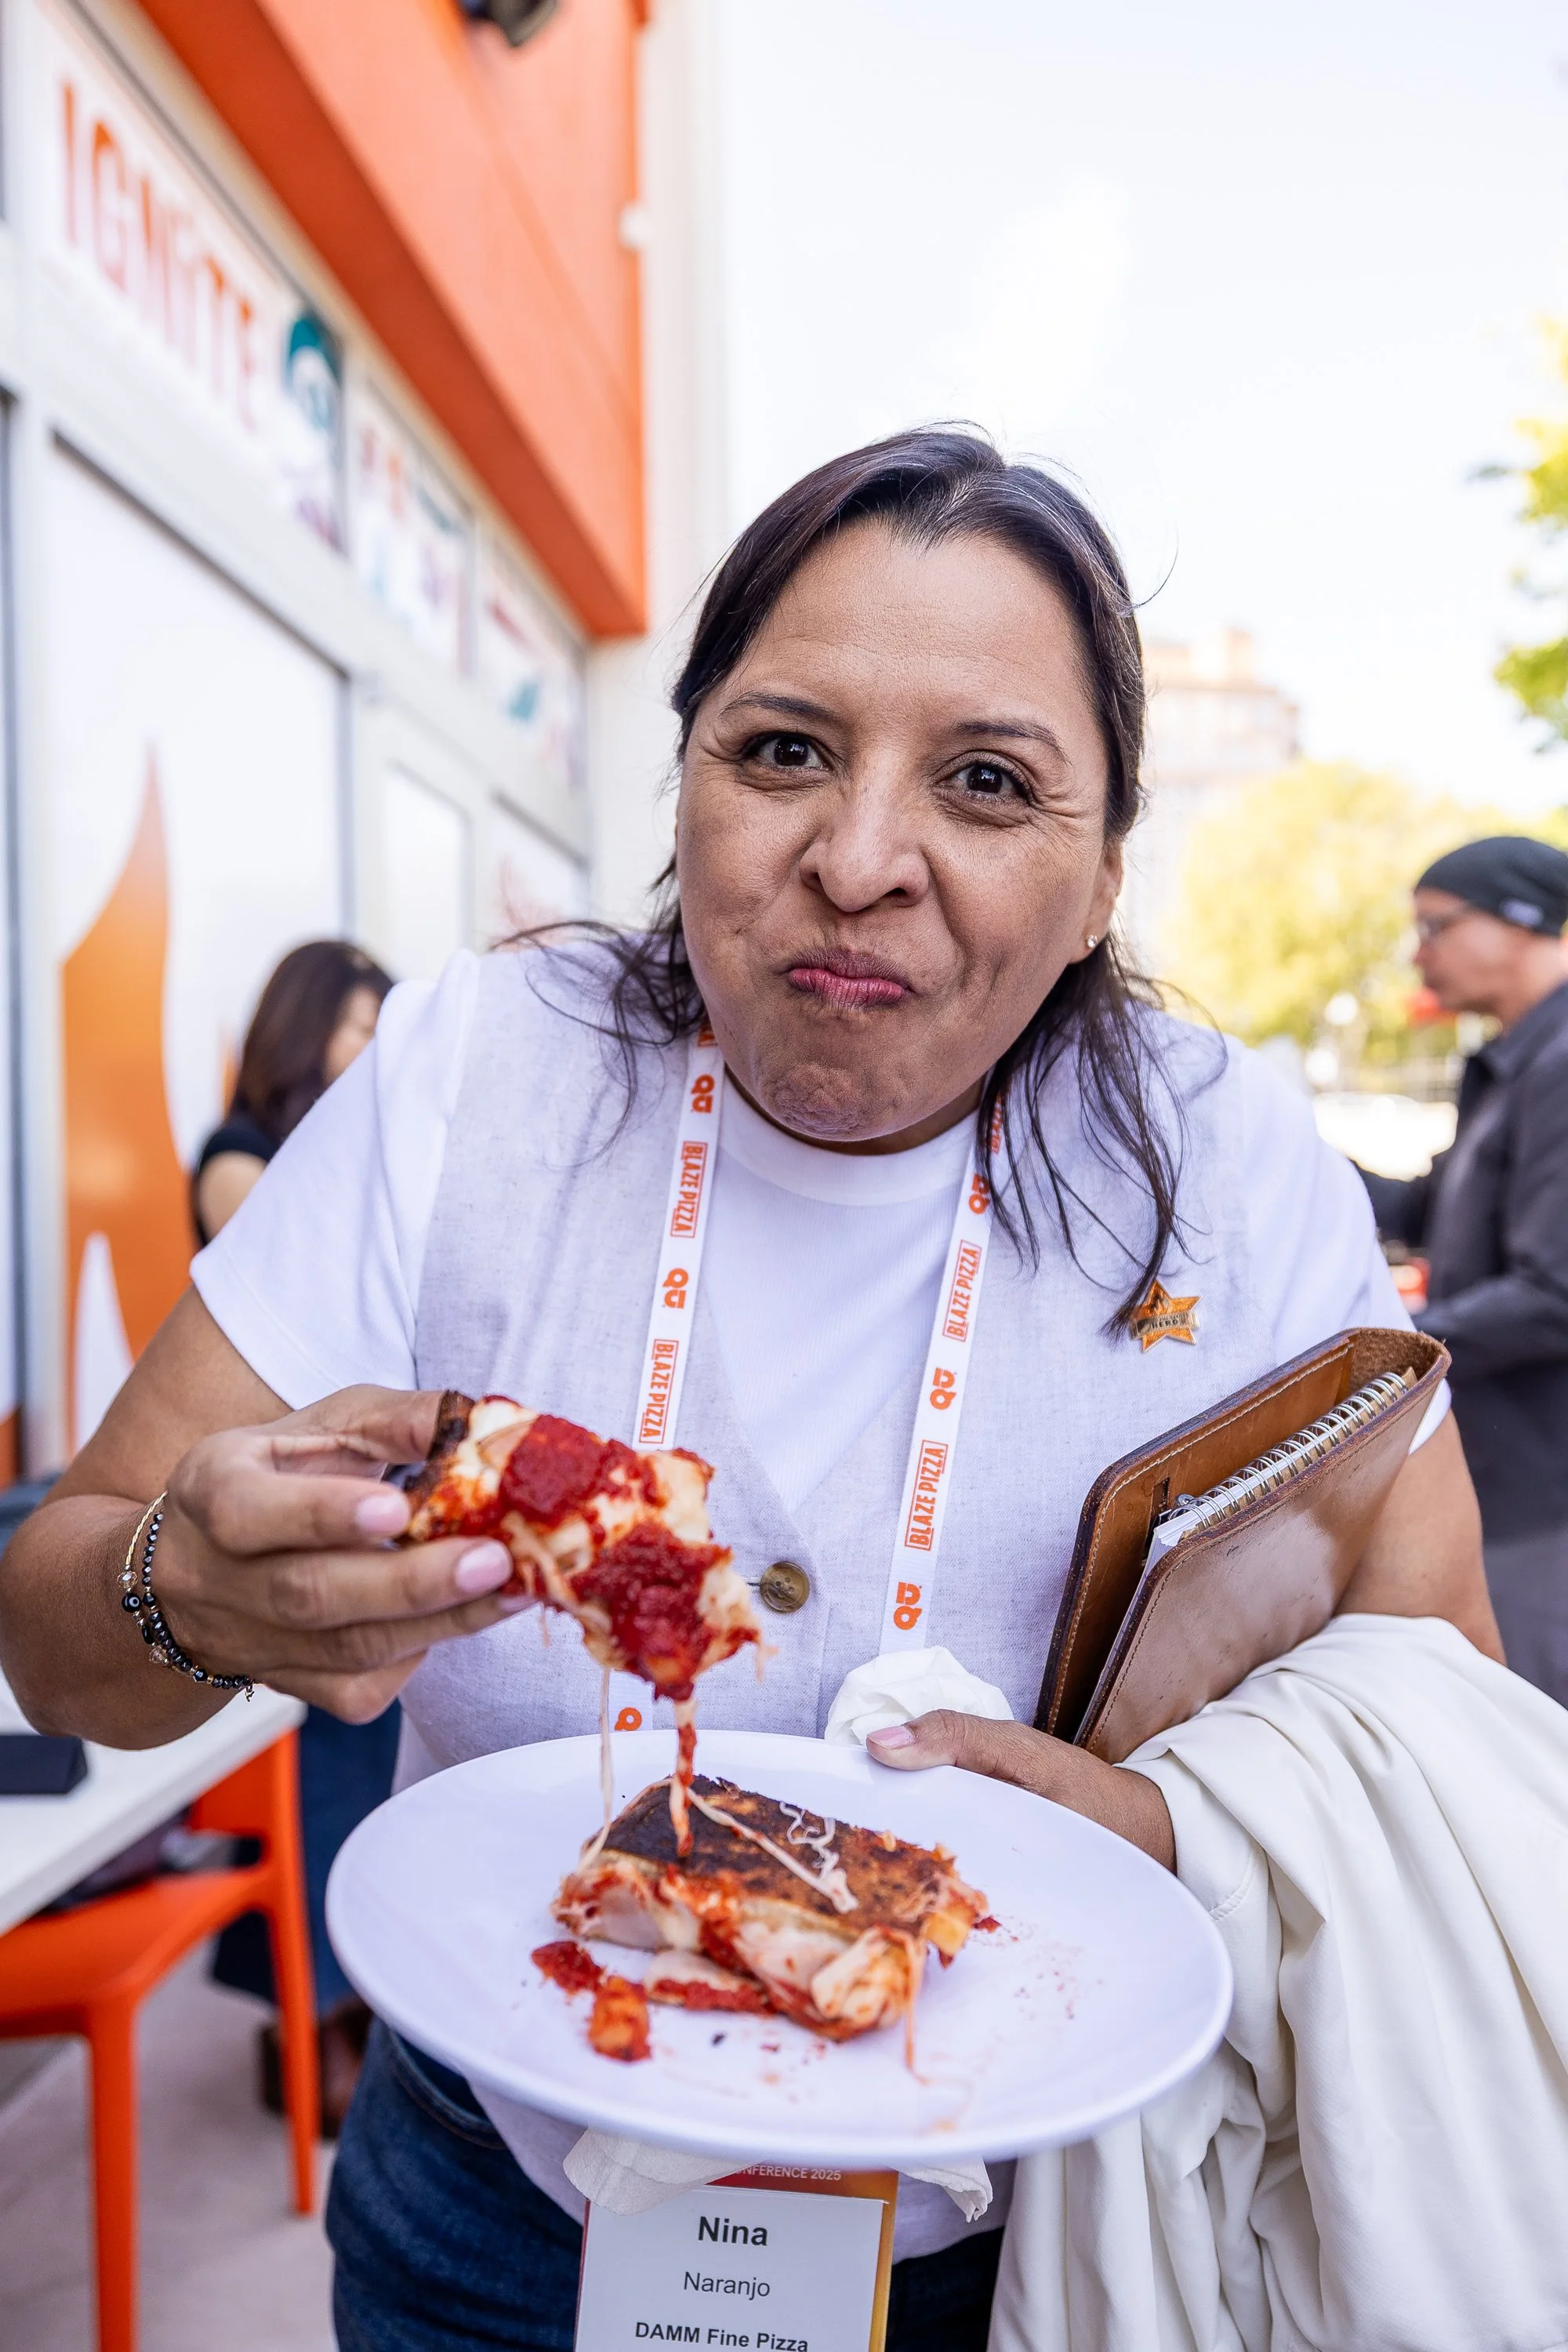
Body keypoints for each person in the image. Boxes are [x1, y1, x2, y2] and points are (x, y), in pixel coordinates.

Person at [4, 430, 1559, 2352]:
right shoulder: (481, 1071)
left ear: (1095, 881)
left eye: (985, 782)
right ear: (684, 784)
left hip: (1045, 2236)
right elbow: (58, 1630)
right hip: (499, 2219)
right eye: (781, 750)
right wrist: (181, 1585)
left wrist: (1169, 1828)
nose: (855, 858)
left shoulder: (1223, 1155)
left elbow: (1435, 1683)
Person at [193, 938, 397, 2131]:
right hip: (266, 1503)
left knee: (356, 1765)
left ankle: (340, 2006)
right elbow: (302, 1278)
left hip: (339, 1495)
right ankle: (297, 2027)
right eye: (358, 1029)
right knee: (315, 1783)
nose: (370, 1055)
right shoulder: (240, 1164)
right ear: (303, 1028)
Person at [1356, 834, 1568, 1705]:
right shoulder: (1511, 1064)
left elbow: (1555, 1293)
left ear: (1521, 919)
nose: (1419, 953)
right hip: (1508, 1482)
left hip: (1542, 1503)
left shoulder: (1558, 1067)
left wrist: (1384, 1353)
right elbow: (1422, 1214)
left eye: (1436, 926)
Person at [193, 940, 392, 1245]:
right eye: (368, 1030)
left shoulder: (371, 1140)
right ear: (307, 1034)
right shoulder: (238, 1157)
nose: (384, 1048)